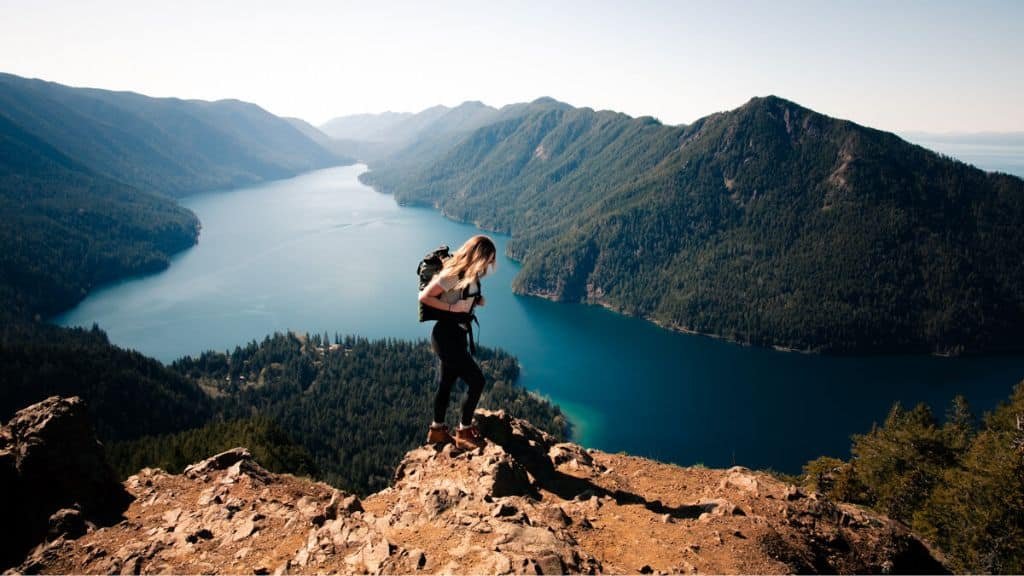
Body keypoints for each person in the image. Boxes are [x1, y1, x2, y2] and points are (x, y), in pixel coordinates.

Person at [417, 234, 497, 449]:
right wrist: (454, 309)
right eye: (489, 259)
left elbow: (458, 296)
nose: (489, 265)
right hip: (446, 337)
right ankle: (464, 431)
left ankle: (437, 431)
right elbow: (425, 296)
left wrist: (474, 301)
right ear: (479, 256)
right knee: (477, 381)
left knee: (446, 384)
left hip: (456, 336)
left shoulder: (469, 274)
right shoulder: (453, 273)